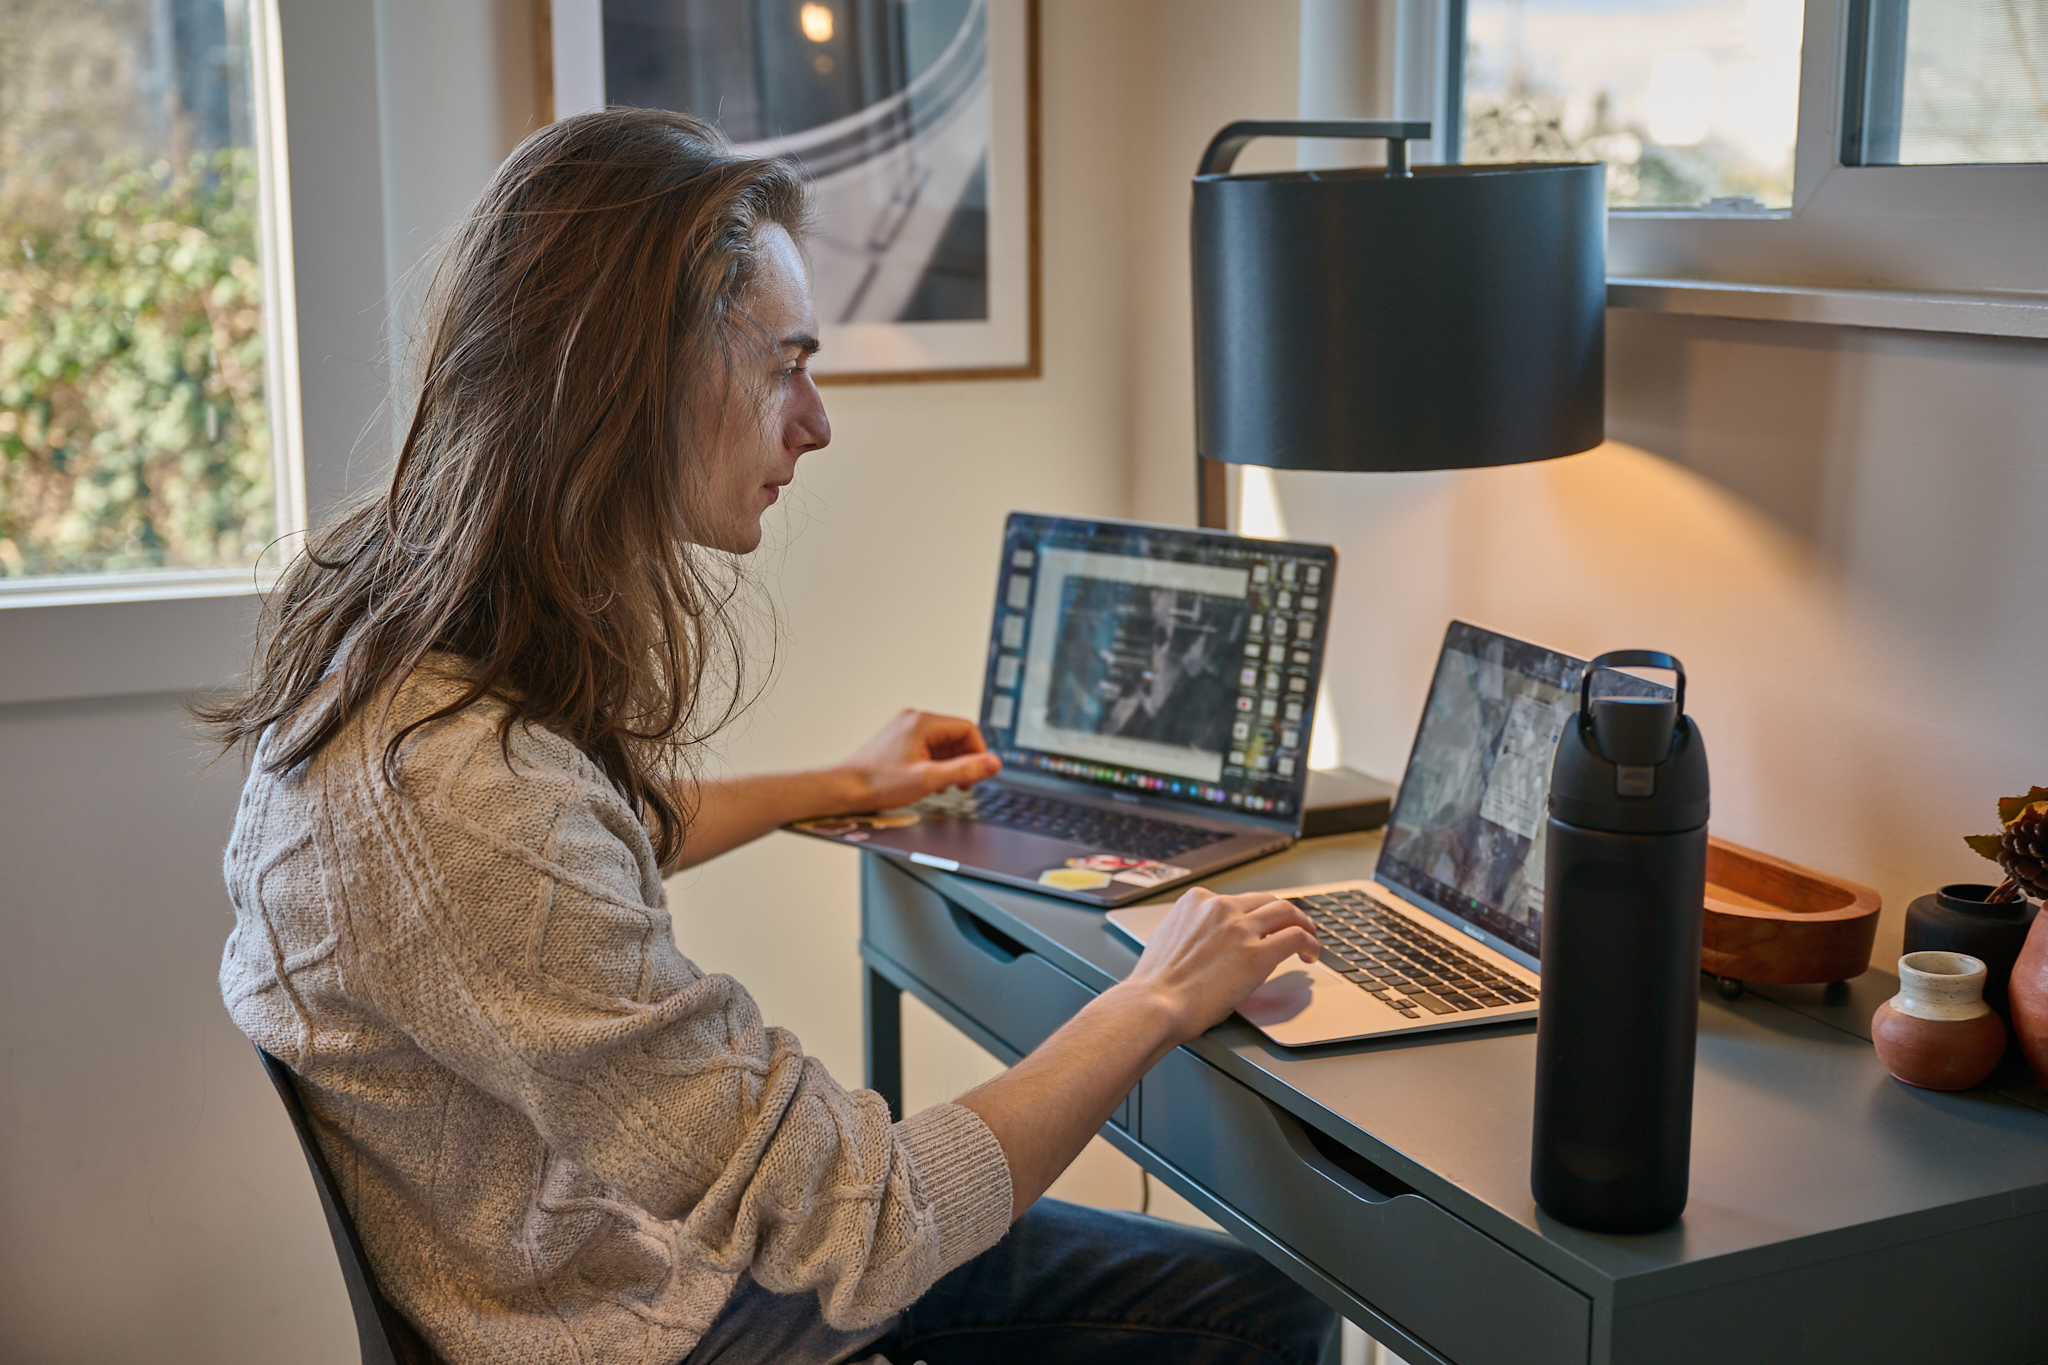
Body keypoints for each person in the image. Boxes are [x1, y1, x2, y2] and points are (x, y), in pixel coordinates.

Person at [207, 108, 1339, 1365]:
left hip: (585, 1259)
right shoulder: (464, 800)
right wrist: (1156, 996)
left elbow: (574, 859)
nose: (815, 421)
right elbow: (872, 1225)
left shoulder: (396, 664)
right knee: (1267, 1309)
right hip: (649, 1320)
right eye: (782, 364)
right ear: (634, 379)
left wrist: (838, 782)